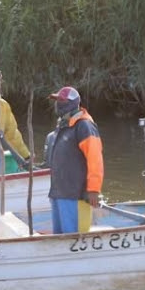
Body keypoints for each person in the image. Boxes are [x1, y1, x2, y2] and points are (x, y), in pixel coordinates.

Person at [45, 86, 103, 234]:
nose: (58, 104)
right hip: (58, 193)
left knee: (73, 237)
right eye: (57, 100)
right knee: (59, 238)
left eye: (62, 101)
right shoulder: (63, 126)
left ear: (73, 103)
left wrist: (93, 190)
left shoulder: (84, 126)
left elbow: (95, 159)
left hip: (75, 194)